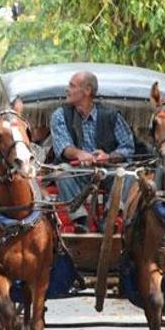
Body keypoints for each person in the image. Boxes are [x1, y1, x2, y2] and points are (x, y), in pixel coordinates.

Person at [50, 71, 135, 231]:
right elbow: (63, 147)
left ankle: (111, 217)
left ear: (87, 91)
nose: (67, 90)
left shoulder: (112, 115)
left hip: (108, 172)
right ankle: (80, 220)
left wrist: (108, 157)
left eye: (72, 86)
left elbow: (128, 148)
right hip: (78, 173)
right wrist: (80, 155)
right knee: (61, 170)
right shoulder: (60, 115)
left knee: (129, 172)